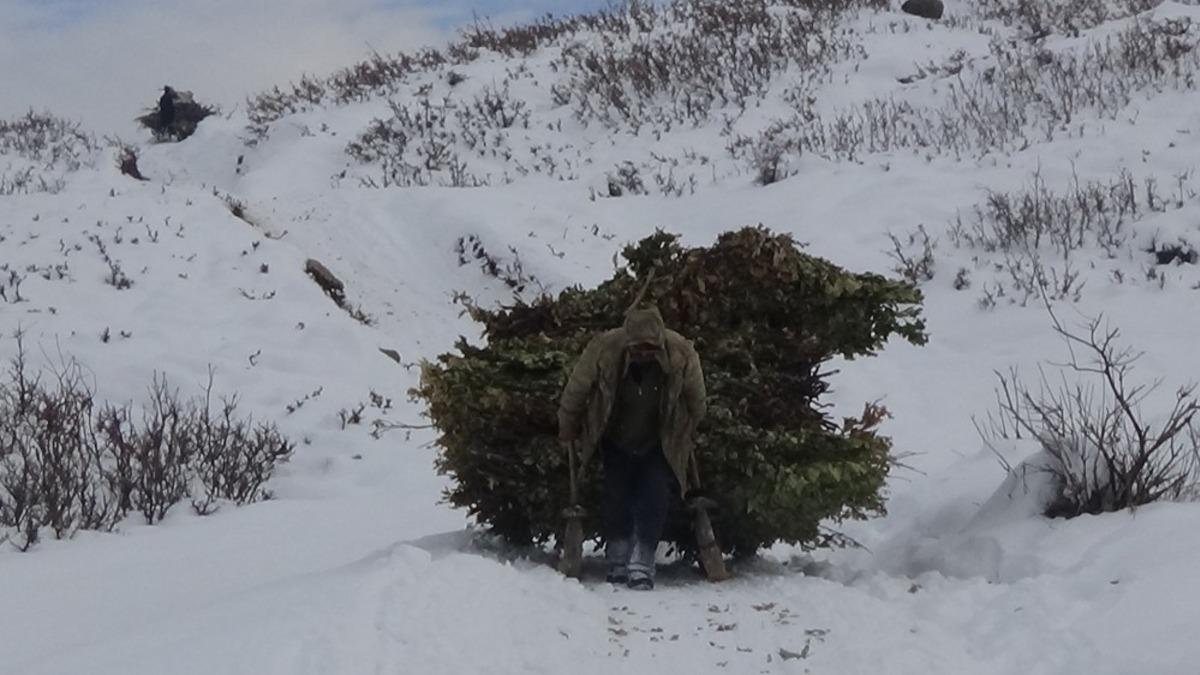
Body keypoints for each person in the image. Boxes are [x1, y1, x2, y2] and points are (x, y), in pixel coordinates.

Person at [557, 304, 706, 590]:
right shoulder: (604, 349)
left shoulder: (681, 353)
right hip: (615, 434)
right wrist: (567, 423)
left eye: (650, 349)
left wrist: (692, 426)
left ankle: (642, 560)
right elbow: (577, 388)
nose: (644, 354)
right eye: (638, 349)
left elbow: (696, 396)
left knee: (655, 494)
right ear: (627, 342)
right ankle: (618, 556)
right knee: (616, 494)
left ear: (660, 342)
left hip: (660, 437)